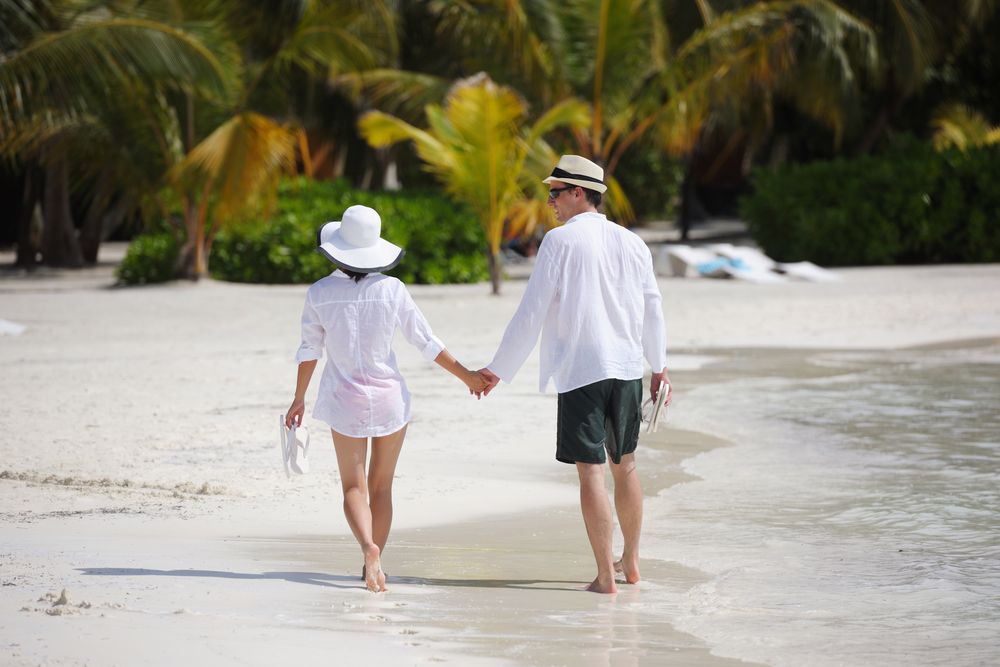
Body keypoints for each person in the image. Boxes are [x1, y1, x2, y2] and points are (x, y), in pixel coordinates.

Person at [478, 155, 670, 594]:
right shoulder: (633, 243)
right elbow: (652, 309)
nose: (550, 202)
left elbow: (532, 312)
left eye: (556, 192)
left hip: (582, 370)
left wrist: (497, 371)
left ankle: (606, 577)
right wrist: (658, 367)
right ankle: (632, 562)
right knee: (627, 467)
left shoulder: (559, 242)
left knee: (591, 474)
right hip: (626, 370)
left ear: (578, 192)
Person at [286, 205, 487, 593]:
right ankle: (373, 567)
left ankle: (368, 549)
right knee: (382, 488)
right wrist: (469, 377)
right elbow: (426, 343)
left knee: (352, 489)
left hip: (345, 400)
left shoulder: (319, 293)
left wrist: (298, 399)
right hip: (390, 399)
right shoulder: (392, 290)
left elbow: (309, 350)